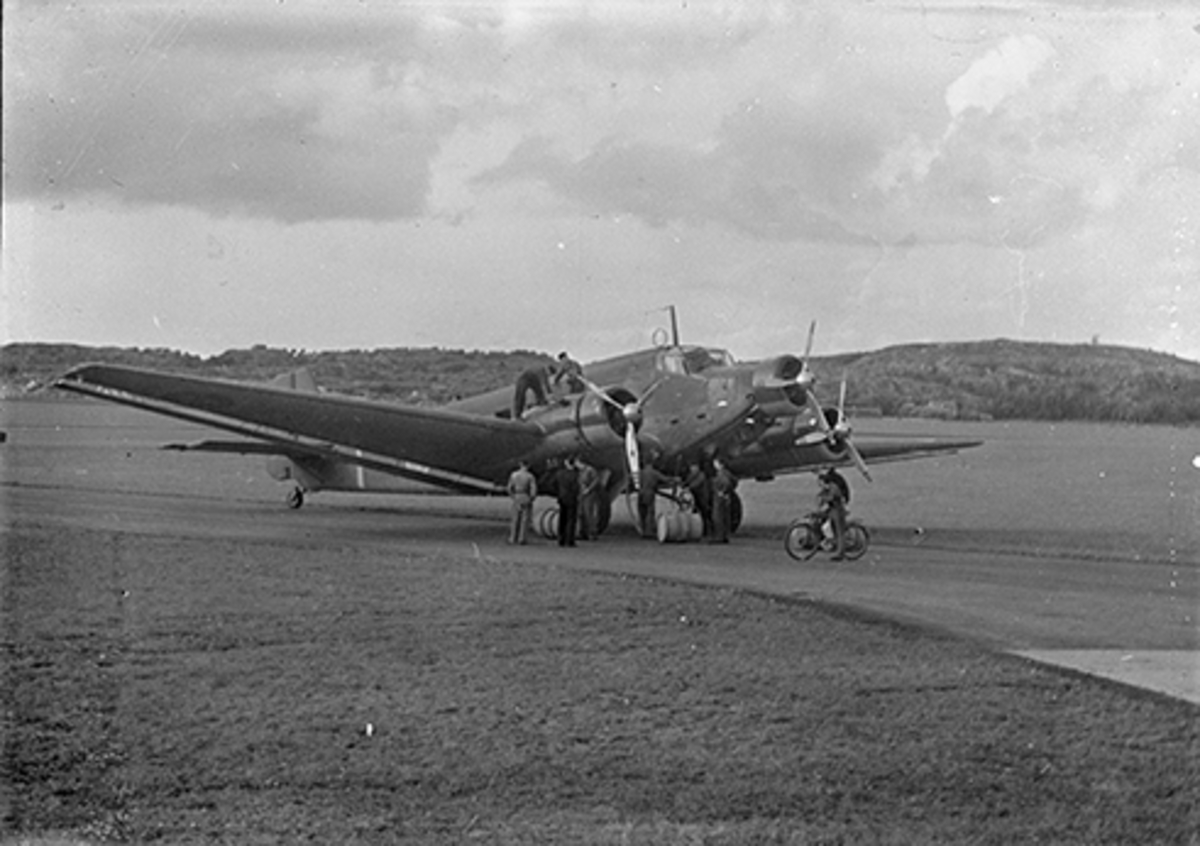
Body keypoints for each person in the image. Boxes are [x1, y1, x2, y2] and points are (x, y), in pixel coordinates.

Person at [817, 468, 848, 560]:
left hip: (837, 510)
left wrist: (824, 498)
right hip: (833, 510)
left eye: (820, 483)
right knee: (834, 530)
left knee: (839, 531)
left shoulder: (833, 487)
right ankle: (835, 547)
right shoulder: (828, 487)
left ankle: (840, 553)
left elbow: (831, 497)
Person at [506, 461, 537, 545]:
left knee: (515, 518)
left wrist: (513, 496)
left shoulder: (514, 475)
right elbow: (533, 489)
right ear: (528, 466)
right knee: (525, 519)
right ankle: (522, 538)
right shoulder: (530, 476)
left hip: (517, 495)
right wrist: (531, 498)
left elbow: (509, 488)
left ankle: (512, 537)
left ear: (520, 465)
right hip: (525, 495)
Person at [554, 457, 581, 547]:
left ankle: (560, 539)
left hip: (562, 497)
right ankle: (569, 540)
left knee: (562, 519)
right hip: (572, 498)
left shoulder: (559, 473)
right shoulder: (575, 475)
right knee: (571, 520)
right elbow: (576, 487)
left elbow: (554, 484)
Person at [709, 458, 737, 543]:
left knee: (717, 517)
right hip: (725, 497)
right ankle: (725, 536)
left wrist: (723, 491)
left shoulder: (721, 474)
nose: (714, 465)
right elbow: (734, 481)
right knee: (725, 517)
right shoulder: (727, 473)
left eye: (716, 463)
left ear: (720, 465)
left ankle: (718, 537)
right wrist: (729, 491)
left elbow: (726, 483)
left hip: (719, 497)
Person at [684, 461, 713, 538]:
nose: (691, 469)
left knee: (704, 513)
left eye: (693, 467)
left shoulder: (701, 475)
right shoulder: (691, 475)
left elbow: (697, 483)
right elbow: (687, 481)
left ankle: (707, 531)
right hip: (694, 496)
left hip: (702, 496)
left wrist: (688, 487)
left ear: (697, 467)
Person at [637, 460, 663, 539]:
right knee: (650, 513)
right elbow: (665, 479)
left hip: (641, 494)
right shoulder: (654, 473)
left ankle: (643, 531)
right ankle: (650, 532)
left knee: (642, 514)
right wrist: (675, 479)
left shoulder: (641, 473)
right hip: (649, 493)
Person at [577, 459, 602, 540]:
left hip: (589, 494)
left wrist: (589, 489)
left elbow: (596, 480)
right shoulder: (581, 471)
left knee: (588, 513)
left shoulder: (590, 470)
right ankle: (583, 532)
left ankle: (592, 533)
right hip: (582, 494)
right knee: (581, 513)